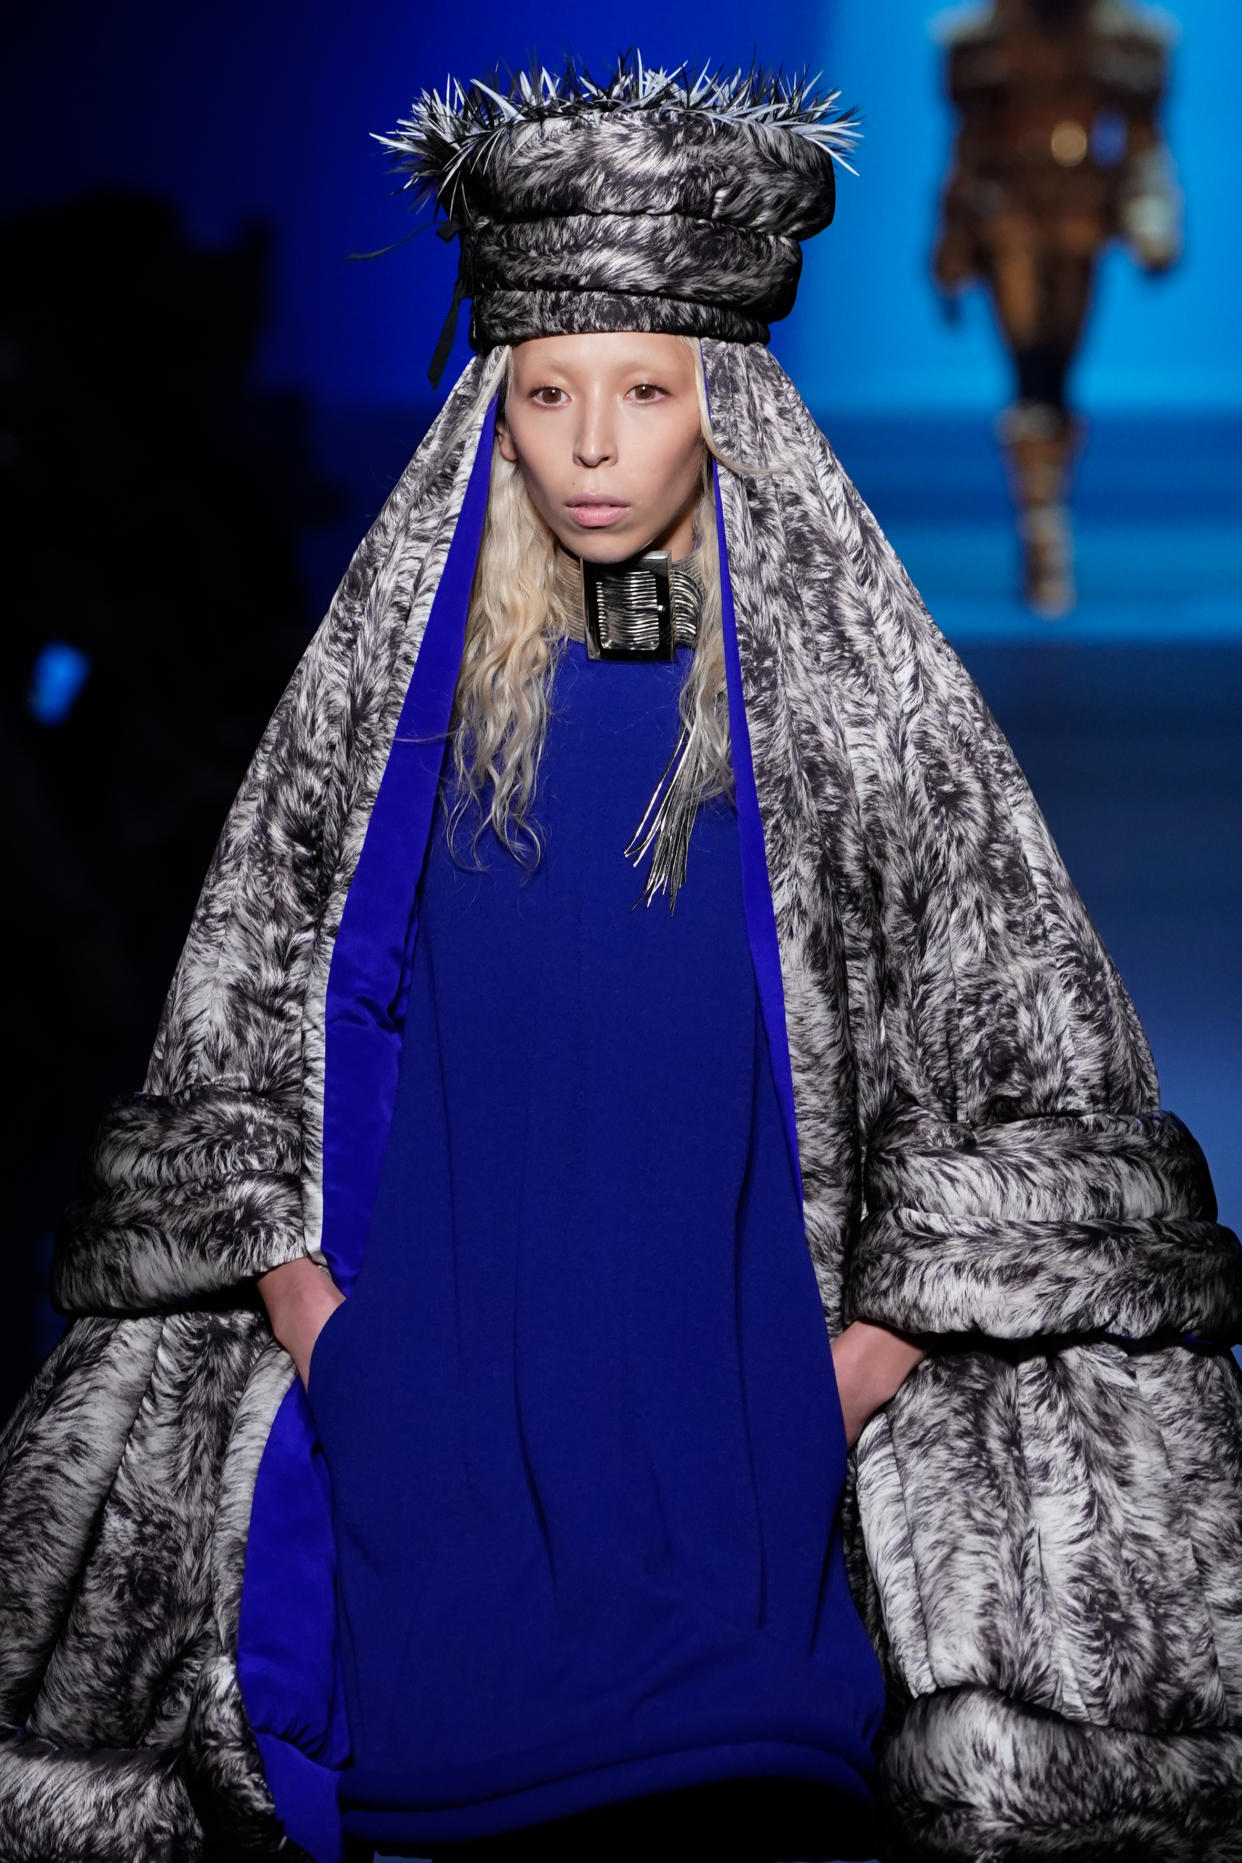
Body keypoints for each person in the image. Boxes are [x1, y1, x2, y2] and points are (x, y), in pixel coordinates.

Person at [1, 48, 1240, 1863]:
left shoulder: (854, 711)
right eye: (552, 389)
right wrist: (329, 1341)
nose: (594, 445)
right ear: (493, 403)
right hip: (424, 1491)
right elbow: (262, 1018)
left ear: (719, 402)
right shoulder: (390, 709)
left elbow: (1006, 1041)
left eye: (645, 390)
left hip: (739, 1523)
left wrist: (831, 1385)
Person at [931, 0, 1182, 615]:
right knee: (1033, 368)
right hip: (1009, 218)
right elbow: (969, 149)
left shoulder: (1127, 39)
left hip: (1079, 219)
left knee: (1054, 367)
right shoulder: (978, 40)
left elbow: (1144, 146)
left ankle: (1045, 514)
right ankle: (1042, 521)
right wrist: (955, 241)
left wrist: (1153, 217)